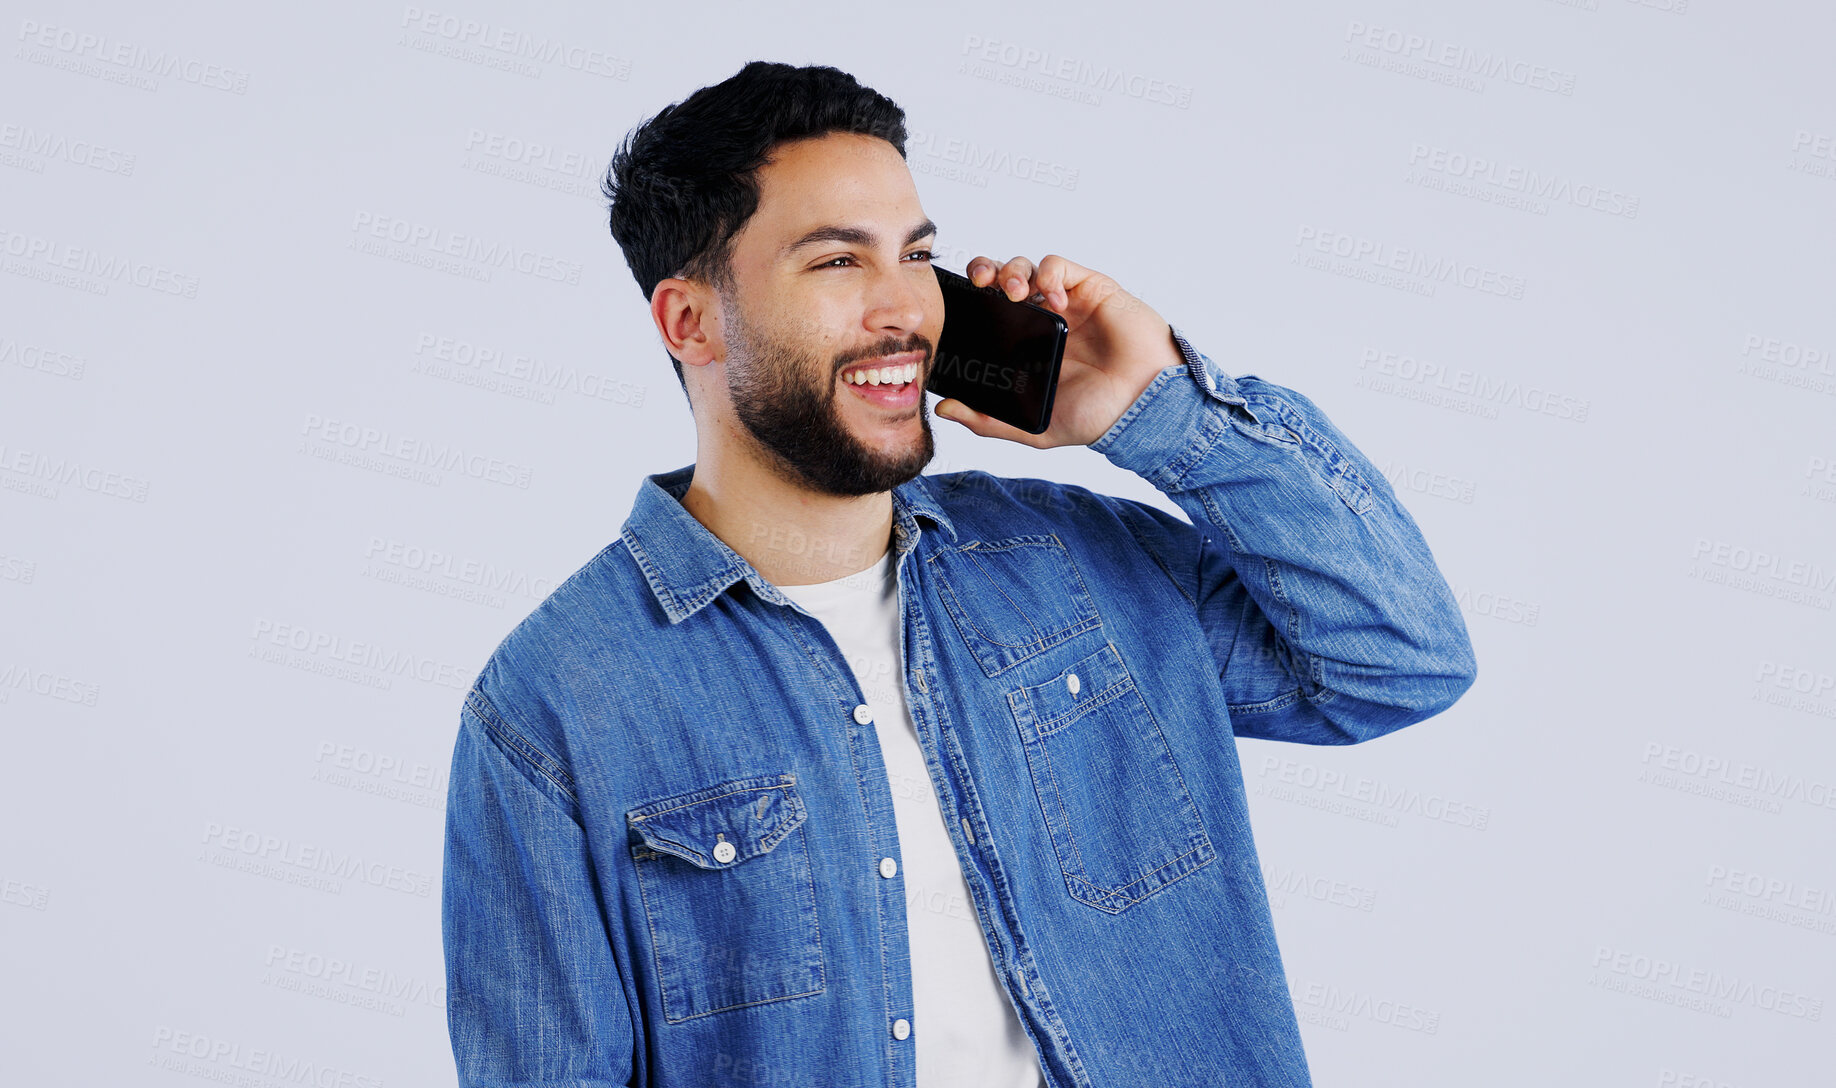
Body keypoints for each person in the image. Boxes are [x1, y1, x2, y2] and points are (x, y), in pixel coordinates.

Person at [441, 60, 1477, 1088]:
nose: (907, 308)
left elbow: (1402, 659)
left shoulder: (1083, 568)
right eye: (839, 262)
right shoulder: (552, 708)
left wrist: (1159, 410)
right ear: (690, 320)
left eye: (917, 253)